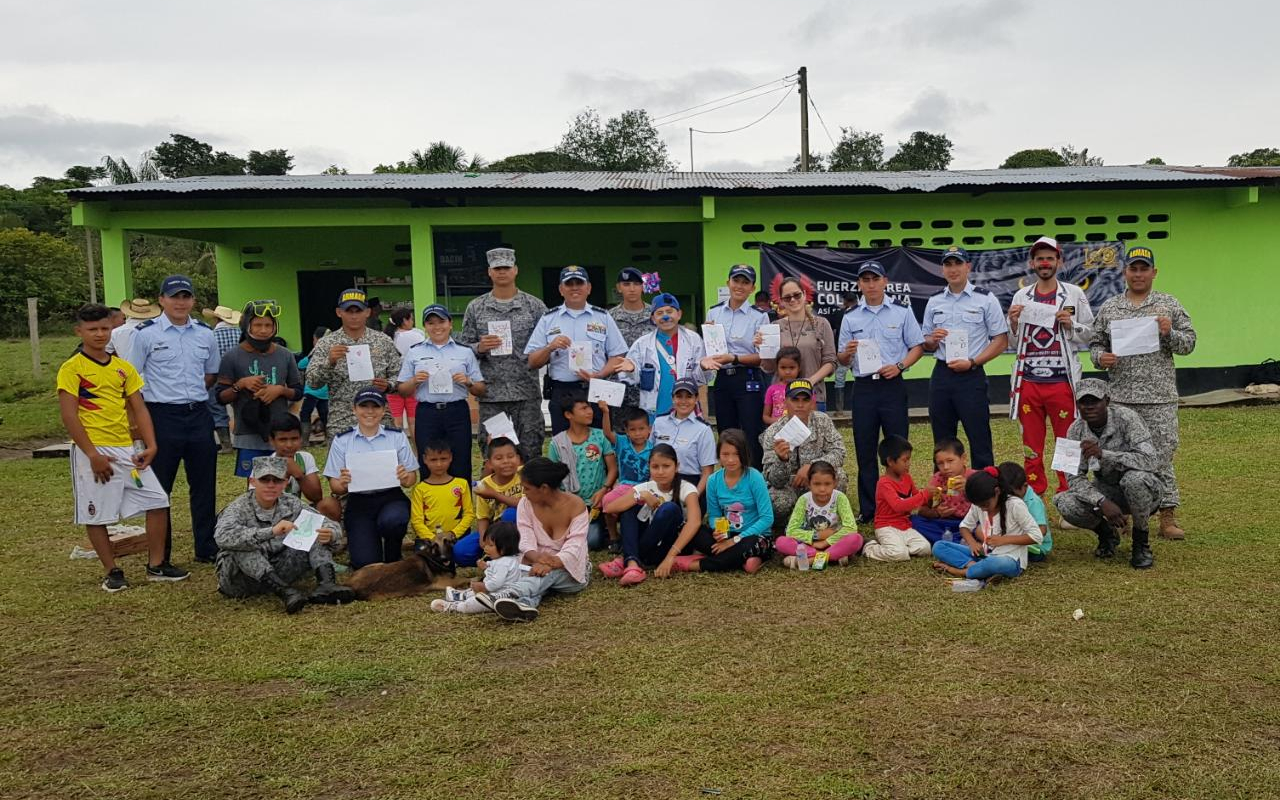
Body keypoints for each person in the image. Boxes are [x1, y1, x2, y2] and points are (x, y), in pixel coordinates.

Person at [57, 303, 187, 591]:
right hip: (94, 450)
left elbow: (139, 408)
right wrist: (92, 454)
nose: (100, 334)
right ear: (79, 331)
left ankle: (156, 565)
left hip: (127, 449)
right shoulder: (72, 369)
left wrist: (151, 445)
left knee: (158, 501)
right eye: (92, 329)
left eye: (105, 328)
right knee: (98, 512)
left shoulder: (122, 368)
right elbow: (69, 415)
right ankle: (112, 570)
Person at [1090, 245, 1197, 540]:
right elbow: (1095, 344)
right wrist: (1101, 358)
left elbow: (1189, 343)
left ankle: (1167, 516)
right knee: (1123, 457)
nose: (1138, 274)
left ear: (1154, 272)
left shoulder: (1168, 305)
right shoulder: (1111, 307)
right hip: (1122, 397)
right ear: (1125, 271)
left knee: (1161, 456)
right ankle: (1128, 515)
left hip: (1159, 397)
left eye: (1143, 269)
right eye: (1133, 268)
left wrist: (1169, 332)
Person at [128, 274, 221, 564]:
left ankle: (205, 547)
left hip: (197, 414)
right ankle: (161, 553)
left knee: (204, 485)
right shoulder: (145, 334)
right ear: (162, 300)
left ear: (193, 301)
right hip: (161, 416)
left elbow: (210, 374)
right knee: (160, 488)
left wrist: (190, 397)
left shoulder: (206, 334)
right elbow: (132, 380)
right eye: (174, 297)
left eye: (185, 297)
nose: (180, 302)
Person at [837, 262, 925, 522]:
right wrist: (848, 353)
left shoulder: (902, 312)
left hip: (892, 385)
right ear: (859, 284)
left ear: (884, 281)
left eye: (875, 278)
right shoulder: (851, 316)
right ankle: (869, 509)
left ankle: (902, 502)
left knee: (898, 447)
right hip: (864, 387)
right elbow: (842, 359)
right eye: (865, 280)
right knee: (864, 448)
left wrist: (899, 366)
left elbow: (918, 346)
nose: (871, 284)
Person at [1007, 236, 1095, 495]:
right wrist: (1012, 323)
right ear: (1032, 263)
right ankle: (1033, 495)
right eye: (1039, 259)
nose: (1044, 263)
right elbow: (1012, 342)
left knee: (1066, 443)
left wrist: (1071, 325)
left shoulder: (1074, 294)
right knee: (1031, 445)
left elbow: (1091, 333)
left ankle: (1068, 496)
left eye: (1049, 258)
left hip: (1062, 382)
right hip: (1029, 382)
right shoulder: (1022, 296)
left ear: (1059, 261)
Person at [214, 456, 354, 613]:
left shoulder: (290, 502)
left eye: (277, 480)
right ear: (253, 482)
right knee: (242, 545)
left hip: (281, 571)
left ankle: (327, 585)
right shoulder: (238, 507)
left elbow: (326, 523)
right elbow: (222, 536)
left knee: (314, 529)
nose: (271, 485)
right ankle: (285, 592)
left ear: (285, 483)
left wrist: (331, 533)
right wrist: (271, 532)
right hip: (240, 581)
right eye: (264, 480)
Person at [1052, 379, 1162, 569]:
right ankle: (1107, 535)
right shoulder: (1074, 430)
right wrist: (1101, 501)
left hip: (1144, 489)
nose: (1089, 407)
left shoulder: (1128, 418)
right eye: (1083, 402)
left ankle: (1140, 543)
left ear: (1107, 401)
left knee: (1133, 480)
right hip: (1107, 490)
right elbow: (1073, 478)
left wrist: (1105, 454)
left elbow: (1150, 461)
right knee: (1064, 502)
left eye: (1094, 401)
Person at [921, 246, 1009, 469]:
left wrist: (973, 362)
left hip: (971, 374)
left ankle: (985, 494)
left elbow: (1000, 340)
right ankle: (944, 494)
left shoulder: (985, 299)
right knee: (941, 440)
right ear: (942, 269)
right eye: (948, 264)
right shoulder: (934, 301)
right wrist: (933, 339)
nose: (953, 269)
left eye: (958, 263)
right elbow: (926, 343)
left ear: (968, 267)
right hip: (942, 374)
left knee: (979, 438)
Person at [458, 247, 549, 462]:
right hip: (491, 394)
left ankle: (531, 496)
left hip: (526, 392)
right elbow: (462, 349)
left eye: (506, 268)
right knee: (494, 454)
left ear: (515, 270)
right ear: (489, 272)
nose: (502, 272)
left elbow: (547, 346)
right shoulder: (476, 307)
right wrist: (479, 347)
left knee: (530, 451)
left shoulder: (534, 306)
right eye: (497, 268)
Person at [323, 388, 419, 570]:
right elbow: (335, 486)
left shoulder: (396, 437)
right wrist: (342, 482)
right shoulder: (342, 440)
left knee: (394, 520)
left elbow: (411, 478)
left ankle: (393, 553)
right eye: (363, 406)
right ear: (354, 409)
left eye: (375, 406)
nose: (369, 411)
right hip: (359, 502)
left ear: (384, 410)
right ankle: (369, 542)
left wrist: (405, 476)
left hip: (390, 497)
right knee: (365, 564)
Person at [526, 265, 628, 435]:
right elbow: (532, 361)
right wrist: (550, 347)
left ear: (588, 288)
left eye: (579, 283)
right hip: (562, 392)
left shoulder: (602, 317)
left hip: (595, 389)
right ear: (560, 289)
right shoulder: (548, 319)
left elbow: (618, 355)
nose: (574, 288)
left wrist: (600, 374)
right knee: (563, 446)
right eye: (569, 284)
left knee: (599, 446)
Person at [492, 457, 592, 623]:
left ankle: (508, 592)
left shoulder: (576, 505)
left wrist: (549, 563)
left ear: (544, 488)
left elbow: (575, 547)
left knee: (546, 575)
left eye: (527, 488)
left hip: (570, 571)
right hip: (534, 565)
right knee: (535, 577)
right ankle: (524, 605)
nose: (524, 493)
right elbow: (525, 540)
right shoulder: (526, 504)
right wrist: (538, 559)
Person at [216, 299, 304, 482]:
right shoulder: (231, 357)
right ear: (247, 325)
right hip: (248, 432)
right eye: (257, 325)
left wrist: (279, 390)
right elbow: (221, 397)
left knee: (282, 481)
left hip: (281, 433)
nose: (263, 330)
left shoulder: (285, 355)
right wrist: (240, 385)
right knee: (256, 484)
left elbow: (298, 391)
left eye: (268, 325)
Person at [397, 304, 486, 483]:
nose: (437, 327)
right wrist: (414, 381)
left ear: (450, 324)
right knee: (428, 461)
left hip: (457, 411)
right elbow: (402, 390)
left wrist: (468, 382)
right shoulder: (415, 352)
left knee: (461, 461)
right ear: (425, 327)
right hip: (427, 412)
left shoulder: (465, 351)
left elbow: (481, 389)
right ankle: (431, 507)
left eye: (441, 321)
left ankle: (462, 509)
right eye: (431, 323)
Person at [668, 428, 773, 574]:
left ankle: (694, 564)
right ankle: (741, 560)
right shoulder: (713, 480)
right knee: (689, 528)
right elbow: (714, 515)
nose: (730, 460)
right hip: (727, 536)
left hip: (752, 536)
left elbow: (767, 518)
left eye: (736, 454)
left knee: (752, 544)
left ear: (744, 454)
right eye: (725, 454)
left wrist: (733, 542)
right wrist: (720, 533)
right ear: (718, 455)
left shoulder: (754, 477)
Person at [305, 287, 402, 439]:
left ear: (368, 312)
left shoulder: (383, 341)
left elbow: (400, 376)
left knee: (381, 462)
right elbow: (312, 382)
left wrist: (389, 385)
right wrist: (329, 362)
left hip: (378, 417)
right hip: (342, 419)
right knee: (343, 463)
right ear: (339, 312)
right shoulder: (327, 343)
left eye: (358, 311)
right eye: (349, 311)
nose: (354, 316)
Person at [600, 443, 702, 586]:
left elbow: (695, 522)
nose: (660, 472)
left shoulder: (687, 488)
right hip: (649, 544)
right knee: (629, 508)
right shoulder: (646, 487)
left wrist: (670, 557)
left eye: (666, 466)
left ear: (677, 466)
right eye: (655, 467)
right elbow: (608, 509)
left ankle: (629, 560)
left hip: (671, 546)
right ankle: (632, 565)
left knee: (669, 509)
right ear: (649, 466)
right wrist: (640, 496)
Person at [702, 264, 769, 468]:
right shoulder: (714, 313)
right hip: (723, 380)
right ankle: (729, 480)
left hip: (748, 377)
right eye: (736, 281)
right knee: (726, 432)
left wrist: (734, 357)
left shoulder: (760, 316)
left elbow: (764, 357)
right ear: (728, 283)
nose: (739, 286)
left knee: (751, 432)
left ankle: (753, 478)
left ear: (752, 287)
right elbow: (709, 348)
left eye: (745, 282)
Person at [931, 467, 1043, 583]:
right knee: (939, 546)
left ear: (997, 492)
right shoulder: (979, 504)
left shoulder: (1015, 505)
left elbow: (1036, 536)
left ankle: (958, 571)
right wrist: (973, 543)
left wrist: (1003, 540)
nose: (983, 509)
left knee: (994, 563)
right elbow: (964, 527)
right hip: (985, 554)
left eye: (986, 504)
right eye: (979, 506)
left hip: (1010, 559)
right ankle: (973, 566)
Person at [760, 379, 848, 520]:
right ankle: (792, 523)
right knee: (775, 500)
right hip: (789, 486)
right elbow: (773, 480)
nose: (800, 405)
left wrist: (813, 467)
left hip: (818, 481)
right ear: (785, 401)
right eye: (795, 400)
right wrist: (782, 460)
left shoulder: (822, 421)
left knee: (840, 476)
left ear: (812, 402)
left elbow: (839, 452)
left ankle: (824, 517)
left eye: (805, 400)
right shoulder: (773, 432)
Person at [617, 293, 706, 419]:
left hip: (686, 408)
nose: (665, 317)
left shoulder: (693, 340)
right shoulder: (642, 344)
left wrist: (703, 367)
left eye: (669, 311)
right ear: (653, 319)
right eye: (659, 313)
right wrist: (631, 369)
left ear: (679, 314)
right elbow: (632, 379)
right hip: (655, 409)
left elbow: (701, 379)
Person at [547, 394, 616, 550]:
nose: (590, 412)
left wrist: (604, 489)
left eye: (589, 407)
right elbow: (552, 477)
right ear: (568, 415)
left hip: (595, 503)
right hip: (568, 504)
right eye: (583, 408)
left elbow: (613, 468)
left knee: (593, 542)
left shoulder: (600, 437)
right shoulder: (557, 443)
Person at [758, 276, 837, 409]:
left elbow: (831, 361)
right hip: (782, 399)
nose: (793, 300)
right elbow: (770, 368)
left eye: (797, 295)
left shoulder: (821, 324)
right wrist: (763, 349)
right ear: (781, 301)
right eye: (787, 297)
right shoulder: (774, 327)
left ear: (805, 295)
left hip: (814, 395)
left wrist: (810, 381)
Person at [431, 522, 536, 614]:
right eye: (485, 544)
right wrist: (486, 567)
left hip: (498, 595)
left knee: (476, 601)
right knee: (474, 591)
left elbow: (496, 583)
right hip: (496, 592)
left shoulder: (503, 563)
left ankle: (455, 607)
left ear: (503, 549)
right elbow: (499, 574)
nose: (485, 548)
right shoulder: (507, 560)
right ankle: (459, 596)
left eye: (490, 545)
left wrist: (484, 586)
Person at [776, 460, 864, 569]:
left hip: (834, 541)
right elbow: (791, 531)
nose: (822, 489)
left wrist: (826, 542)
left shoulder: (840, 498)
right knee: (781, 542)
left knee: (856, 539)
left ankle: (810, 561)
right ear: (809, 484)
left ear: (835, 483)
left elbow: (850, 528)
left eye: (827, 484)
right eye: (817, 484)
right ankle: (833, 557)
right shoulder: (804, 500)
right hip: (809, 544)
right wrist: (815, 537)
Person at [863, 435, 932, 562]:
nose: (908, 464)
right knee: (898, 554)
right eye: (905, 460)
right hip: (886, 526)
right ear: (890, 461)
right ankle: (869, 547)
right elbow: (898, 506)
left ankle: (900, 548)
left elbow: (917, 499)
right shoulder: (884, 483)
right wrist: (925, 494)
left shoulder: (907, 477)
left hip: (905, 525)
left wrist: (936, 495)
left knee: (925, 548)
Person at [408, 439, 476, 563]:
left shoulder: (461, 484)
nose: (439, 464)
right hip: (430, 539)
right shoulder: (420, 489)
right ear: (424, 460)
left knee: (461, 554)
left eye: (443, 459)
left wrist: (453, 534)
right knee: (424, 559)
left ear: (450, 458)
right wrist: (432, 538)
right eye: (433, 460)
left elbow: (469, 514)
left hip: (455, 537)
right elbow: (416, 521)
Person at [598, 404, 652, 548]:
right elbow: (608, 433)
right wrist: (605, 412)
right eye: (633, 430)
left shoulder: (653, 449)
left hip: (644, 488)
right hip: (625, 485)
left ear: (649, 429)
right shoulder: (622, 443)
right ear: (627, 431)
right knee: (607, 501)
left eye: (641, 429)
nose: (638, 433)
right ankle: (613, 536)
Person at [651, 378, 717, 493]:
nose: (683, 401)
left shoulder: (703, 430)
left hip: (689, 485)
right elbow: (649, 457)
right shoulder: (659, 422)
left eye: (688, 396)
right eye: (679, 396)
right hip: (659, 482)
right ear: (672, 398)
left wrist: (694, 498)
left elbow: (707, 472)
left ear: (696, 398)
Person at [909, 438, 976, 545]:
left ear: (963, 458)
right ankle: (956, 541)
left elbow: (990, 505)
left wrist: (970, 488)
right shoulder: (937, 479)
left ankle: (949, 541)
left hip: (969, 523)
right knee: (914, 521)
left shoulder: (974, 477)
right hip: (945, 522)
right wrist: (936, 513)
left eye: (950, 461)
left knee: (980, 527)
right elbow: (922, 509)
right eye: (940, 463)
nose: (945, 467)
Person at [608, 266, 655, 414]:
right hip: (618, 389)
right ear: (619, 288)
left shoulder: (656, 315)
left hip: (649, 388)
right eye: (627, 284)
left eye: (636, 284)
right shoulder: (608, 317)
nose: (632, 289)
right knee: (618, 435)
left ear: (643, 286)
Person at [204, 304, 243, 454]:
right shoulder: (240, 334)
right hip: (240, 376)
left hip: (217, 377)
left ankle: (226, 445)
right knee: (240, 407)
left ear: (216, 319)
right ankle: (242, 441)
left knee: (217, 408)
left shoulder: (211, 336)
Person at [384, 307, 425, 442]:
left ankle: (399, 453)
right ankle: (418, 454)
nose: (413, 322)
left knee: (396, 421)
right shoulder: (416, 335)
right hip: (412, 383)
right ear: (404, 320)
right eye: (411, 319)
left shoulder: (387, 337)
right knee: (414, 421)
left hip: (393, 384)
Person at [473, 436, 524, 544]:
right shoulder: (485, 485)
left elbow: (525, 504)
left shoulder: (524, 474)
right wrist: (483, 539)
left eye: (510, 456)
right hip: (494, 529)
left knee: (510, 515)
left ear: (518, 459)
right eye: (499, 458)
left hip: (523, 526)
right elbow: (483, 517)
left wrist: (495, 495)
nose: (506, 461)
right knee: (462, 550)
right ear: (490, 463)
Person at [999, 461, 1051, 562]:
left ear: (1025, 486)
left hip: (1036, 547)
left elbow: (1042, 530)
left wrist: (1011, 540)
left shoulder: (1033, 502)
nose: (1011, 499)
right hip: (1014, 540)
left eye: (1014, 495)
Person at [267, 416, 324, 507]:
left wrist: (299, 476)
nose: (289, 445)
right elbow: (261, 503)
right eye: (283, 440)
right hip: (272, 516)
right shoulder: (264, 464)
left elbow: (317, 497)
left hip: (297, 512)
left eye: (294, 439)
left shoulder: (305, 458)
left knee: (327, 505)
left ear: (301, 438)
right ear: (272, 441)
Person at [826, 292, 859, 414]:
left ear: (844, 302)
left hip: (843, 351)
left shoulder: (838, 314)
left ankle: (839, 411)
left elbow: (831, 332)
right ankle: (862, 408)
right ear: (856, 300)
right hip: (859, 351)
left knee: (839, 380)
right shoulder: (862, 313)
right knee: (861, 379)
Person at [297, 326, 330, 444]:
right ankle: (328, 439)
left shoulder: (315, 353)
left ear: (316, 339)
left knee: (305, 413)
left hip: (312, 391)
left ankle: (304, 440)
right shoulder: (331, 352)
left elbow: (301, 365)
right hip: (325, 392)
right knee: (324, 415)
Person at [762, 347, 803, 426]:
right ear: (777, 368)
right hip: (777, 432)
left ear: (799, 368)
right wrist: (778, 421)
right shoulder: (772, 389)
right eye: (783, 368)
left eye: (792, 368)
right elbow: (765, 417)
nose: (787, 372)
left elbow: (812, 414)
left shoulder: (805, 388)